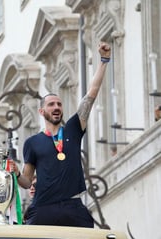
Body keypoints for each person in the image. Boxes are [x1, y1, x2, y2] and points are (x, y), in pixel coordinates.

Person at [17, 42, 111, 228]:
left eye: (59, 104)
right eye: (51, 104)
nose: (56, 107)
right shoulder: (32, 142)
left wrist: (104, 60)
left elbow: (91, 93)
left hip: (73, 205)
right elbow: (27, 182)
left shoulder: (73, 129)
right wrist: (14, 173)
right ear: (41, 111)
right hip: (44, 206)